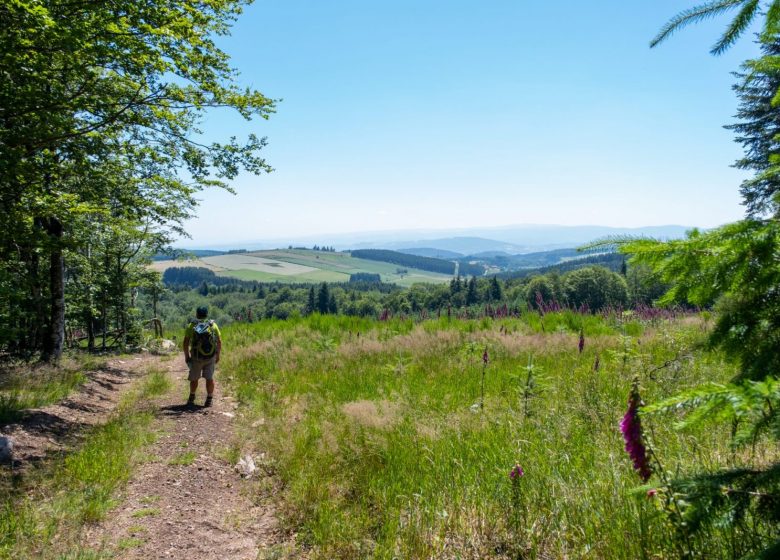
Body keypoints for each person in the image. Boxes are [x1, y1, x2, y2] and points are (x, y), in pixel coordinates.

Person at [183, 306, 222, 407]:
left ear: (197, 314)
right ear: (206, 314)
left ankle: (192, 397)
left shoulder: (192, 325)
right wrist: (217, 355)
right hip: (210, 357)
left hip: (196, 357)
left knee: (194, 378)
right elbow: (219, 341)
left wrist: (187, 356)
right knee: (209, 378)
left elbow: (185, 343)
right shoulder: (213, 325)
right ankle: (209, 399)